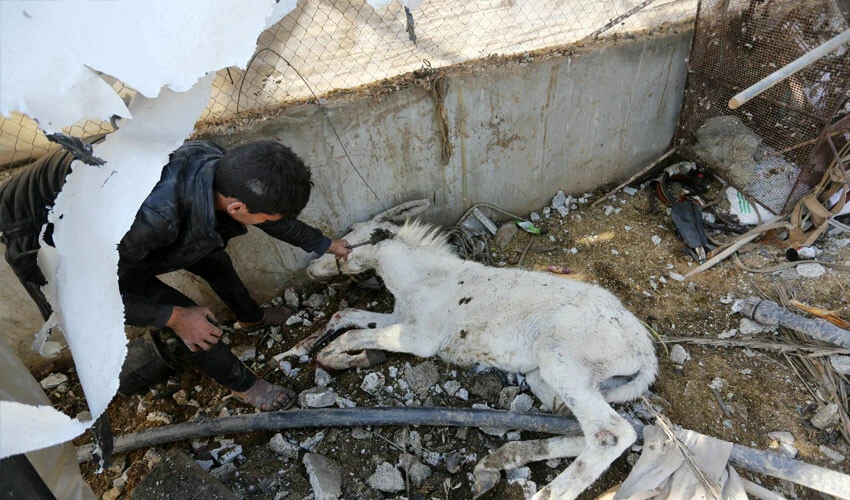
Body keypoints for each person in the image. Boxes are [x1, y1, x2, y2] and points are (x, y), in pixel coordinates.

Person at [0, 138, 350, 411]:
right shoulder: (150, 220)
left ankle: (252, 319)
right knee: (190, 320)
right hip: (39, 229)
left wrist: (324, 243)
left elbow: (270, 216)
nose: (272, 223)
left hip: (99, 199)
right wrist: (174, 316)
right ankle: (246, 387)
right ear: (237, 208)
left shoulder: (219, 166)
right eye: (269, 218)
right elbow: (86, 294)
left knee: (214, 260)